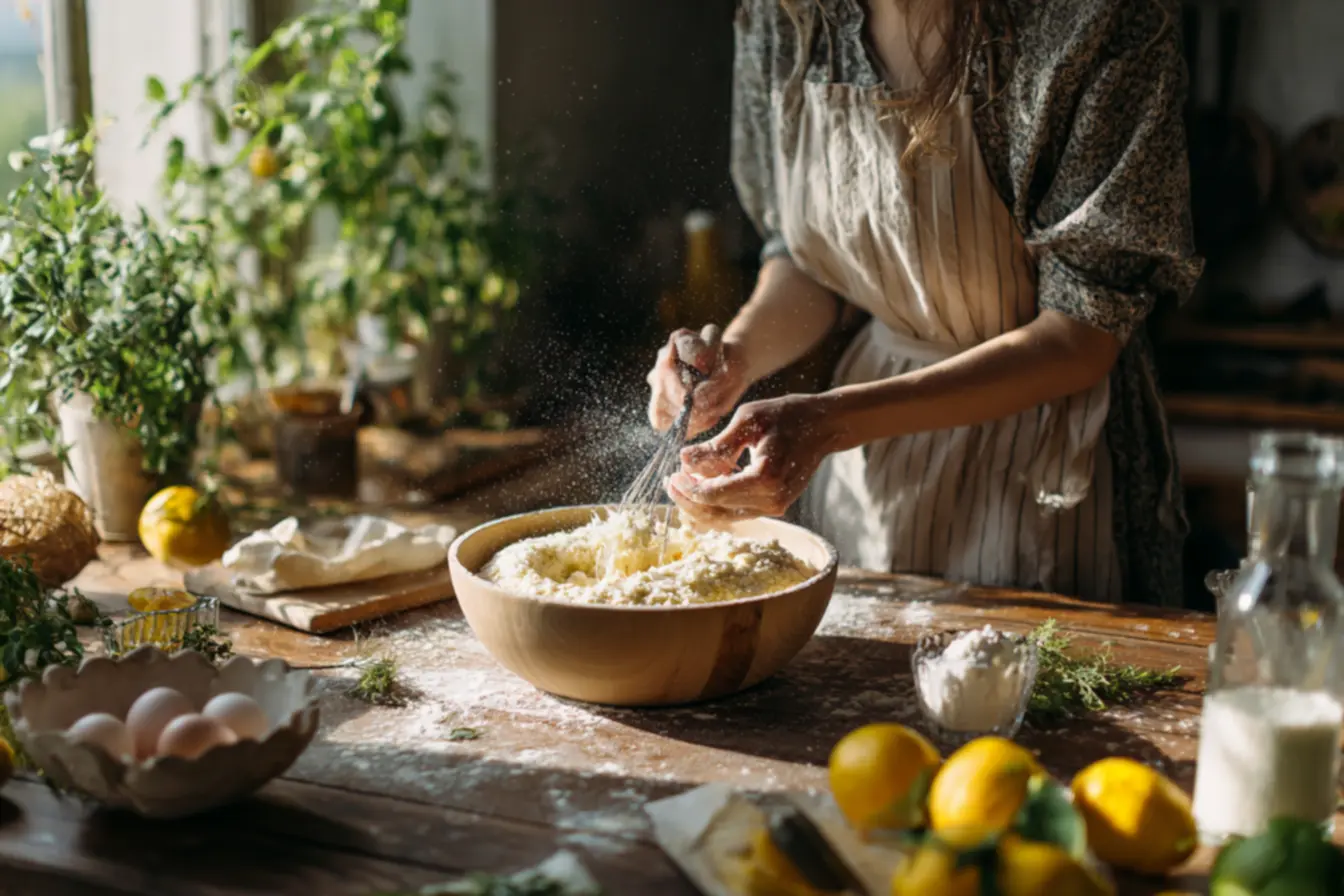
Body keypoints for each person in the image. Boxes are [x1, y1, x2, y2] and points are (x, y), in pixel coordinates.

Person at [645, 0, 1201, 606]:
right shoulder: (790, 18)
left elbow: (1082, 333)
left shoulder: (1090, 21)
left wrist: (830, 422)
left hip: (1047, 463)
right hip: (868, 467)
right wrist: (737, 357)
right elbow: (813, 263)